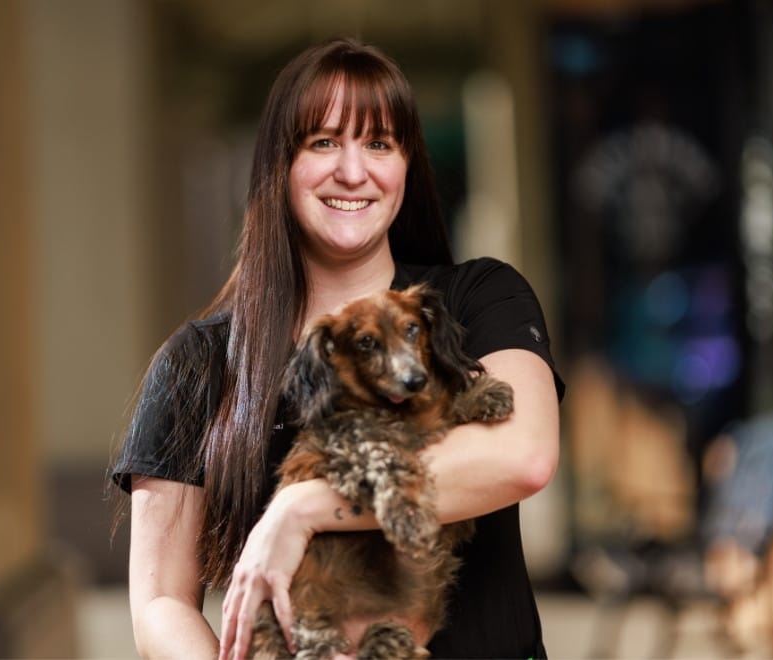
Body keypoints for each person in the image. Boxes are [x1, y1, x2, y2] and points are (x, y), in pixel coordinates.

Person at [112, 37, 564, 659]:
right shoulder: (201, 362)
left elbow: (523, 455)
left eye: (379, 144)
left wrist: (303, 507)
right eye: (323, 142)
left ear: (407, 164)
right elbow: (160, 602)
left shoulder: (476, 300)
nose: (353, 172)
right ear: (279, 163)